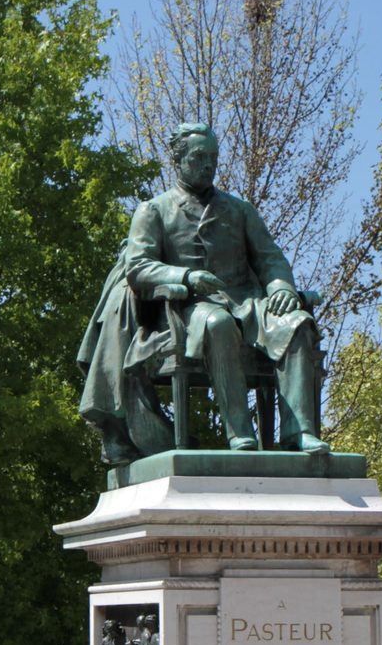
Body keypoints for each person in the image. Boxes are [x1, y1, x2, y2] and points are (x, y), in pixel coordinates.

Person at [113, 122, 327, 455]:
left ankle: (298, 431)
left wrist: (282, 287)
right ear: (178, 159)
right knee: (218, 324)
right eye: (199, 156)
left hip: (248, 303)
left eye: (213, 156)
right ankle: (239, 434)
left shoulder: (240, 210)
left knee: (297, 323)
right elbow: (138, 268)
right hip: (187, 309)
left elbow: (270, 259)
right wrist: (185, 277)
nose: (209, 164)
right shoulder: (154, 211)